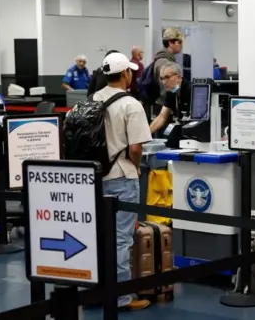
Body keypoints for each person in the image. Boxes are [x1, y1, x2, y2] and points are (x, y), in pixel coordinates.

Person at [91, 52, 152, 311]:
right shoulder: (131, 104)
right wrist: (135, 168)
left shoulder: (93, 99)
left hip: (95, 178)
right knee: (120, 240)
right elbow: (136, 148)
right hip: (121, 178)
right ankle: (120, 298)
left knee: (97, 238)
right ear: (126, 73)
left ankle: (95, 292)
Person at [148, 62, 191, 135]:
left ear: (178, 77)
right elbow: (161, 117)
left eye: (167, 77)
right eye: (161, 78)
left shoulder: (191, 90)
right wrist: (145, 136)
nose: (164, 82)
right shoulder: (171, 91)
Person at [151, 28, 184, 105]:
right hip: (164, 105)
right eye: (178, 42)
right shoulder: (163, 62)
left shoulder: (168, 60)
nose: (181, 45)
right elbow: (165, 88)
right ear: (170, 43)